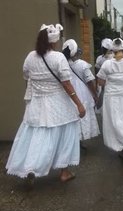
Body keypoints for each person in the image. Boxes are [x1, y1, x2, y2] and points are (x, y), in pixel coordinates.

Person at [5, 24, 86, 186]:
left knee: (36, 136)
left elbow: (26, 77)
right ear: (54, 42)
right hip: (59, 105)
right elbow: (66, 84)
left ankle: (30, 168)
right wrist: (79, 104)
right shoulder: (58, 57)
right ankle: (64, 172)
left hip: (37, 104)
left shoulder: (30, 56)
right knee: (65, 135)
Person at [62, 39, 100, 145]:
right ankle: (80, 138)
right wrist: (95, 95)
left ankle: (73, 140)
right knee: (83, 114)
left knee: (71, 114)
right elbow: (90, 82)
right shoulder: (82, 65)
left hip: (69, 92)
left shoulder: (62, 65)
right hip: (83, 93)